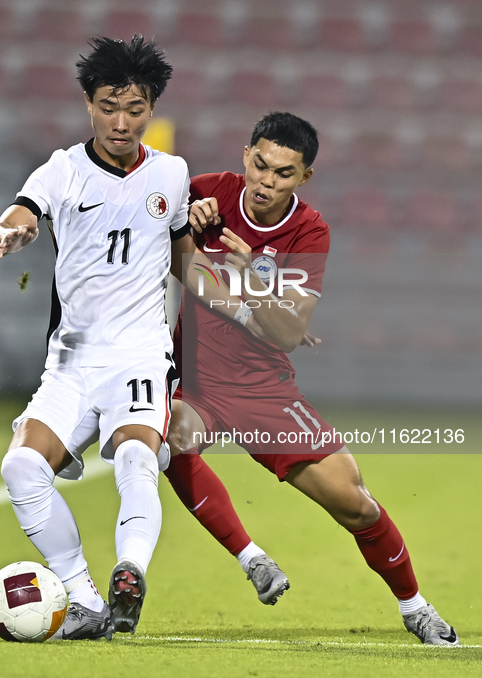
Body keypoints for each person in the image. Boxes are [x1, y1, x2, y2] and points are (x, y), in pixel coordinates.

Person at [0, 35, 250, 641]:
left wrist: (237, 291)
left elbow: (182, 262)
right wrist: (9, 235)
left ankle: (130, 573)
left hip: (139, 356)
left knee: (135, 454)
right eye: (109, 106)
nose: (121, 122)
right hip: (71, 361)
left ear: (152, 108)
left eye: (135, 109)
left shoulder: (172, 173)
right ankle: (84, 598)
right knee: (22, 468)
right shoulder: (62, 170)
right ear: (88, 104)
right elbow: (14, 218)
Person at [164, 111, 459, 647]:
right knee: (166, 440)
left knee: (355, 503)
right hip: (196, 380)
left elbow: (284, 331)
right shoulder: (204, 192)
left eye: (282, 173)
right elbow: (142, 226)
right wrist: (181, 217)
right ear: (246, 153)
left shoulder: (309, 231)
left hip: (263, 388)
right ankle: (251, 558)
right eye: (260, 165)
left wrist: (253, 270)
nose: (265, 182)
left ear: (304, 178)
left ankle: (414, 606)